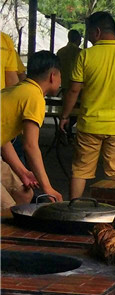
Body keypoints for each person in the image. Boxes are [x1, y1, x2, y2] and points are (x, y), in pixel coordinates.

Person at [59, 11, 115, 199]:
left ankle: (73, 208)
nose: (89, 38)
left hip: (90, 124)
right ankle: (114, 215)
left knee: (81, 170)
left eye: (89, 33)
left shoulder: (85, 56)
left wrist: (65, 116)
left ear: (97, 32)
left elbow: (73, 91)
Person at [1, 50, 63, 207]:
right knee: (6, 207)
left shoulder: (17, 90)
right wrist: (47, 188)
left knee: (24, 193)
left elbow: (3, 140)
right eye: (60, 75)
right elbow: (30, 146)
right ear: (53, 76)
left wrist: (24, 172)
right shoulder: (34, 96)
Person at [55, 29, 82, 95]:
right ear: (78, 40)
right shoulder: (80, 53)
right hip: (77, 87)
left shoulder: (60, 52)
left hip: (64, 86)